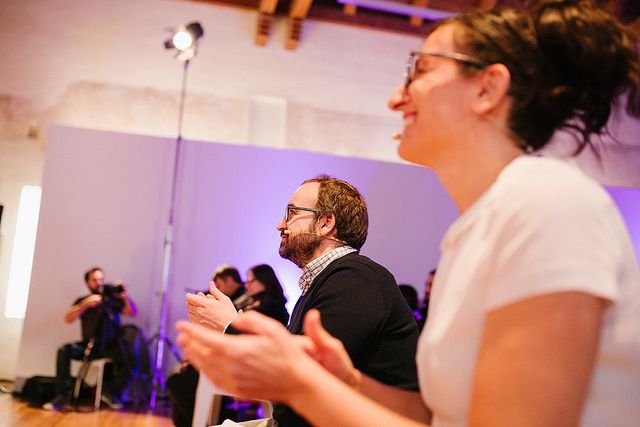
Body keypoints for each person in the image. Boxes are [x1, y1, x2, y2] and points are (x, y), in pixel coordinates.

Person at [176, 2, 640, 426]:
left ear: (487, 88)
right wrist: (347, 381)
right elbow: (436, 417)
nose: (395, 99)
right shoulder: (472, 233)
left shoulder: (546, 205)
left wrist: (300, 383)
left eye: (419, 71)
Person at [182, 175, 420, 426]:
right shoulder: (333, 280)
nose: (280, 225)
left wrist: (229, 326)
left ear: (326, 223)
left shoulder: (357, 278)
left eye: (292, 213)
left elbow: (297, 378)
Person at [44, 267, 138, 411]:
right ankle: (63, 397)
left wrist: (124, 296)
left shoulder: (112, 300)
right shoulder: (83, 301)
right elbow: (68, 318)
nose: (98, 283)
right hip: (90, 345)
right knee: (63, 351)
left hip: (111, 345)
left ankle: (110, 391)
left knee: (133, 359)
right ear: (87, 282)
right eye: (94, 280)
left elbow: (132, 313)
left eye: (101, 279)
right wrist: (85, 304)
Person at [167, 264, 247, 427]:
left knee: (177, 380)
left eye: (219, 284)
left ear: (230, 280)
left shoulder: (246, 302)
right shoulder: (240, 300)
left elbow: (235, 336)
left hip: (230, 363)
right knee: (177, 376)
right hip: (223, 358)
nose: (248, 283)